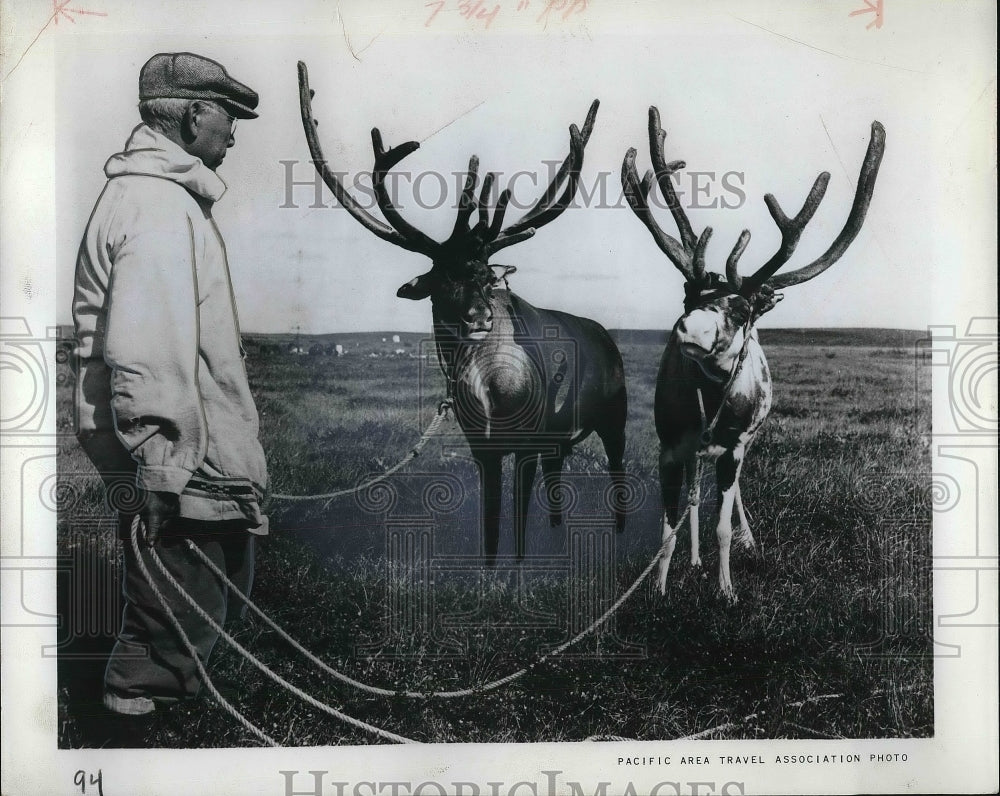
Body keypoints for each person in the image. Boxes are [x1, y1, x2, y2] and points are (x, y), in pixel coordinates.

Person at [73, 52, 268, 716]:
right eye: (228, 117)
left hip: (183, 429)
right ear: (193, 115)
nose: (234, 134)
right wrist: (159, 464)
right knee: (179, 571)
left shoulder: (160, 196)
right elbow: (146, 350)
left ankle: (167, 701)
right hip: (170, 436)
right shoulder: (156, 206)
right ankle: (134, 718)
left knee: (212, 562)